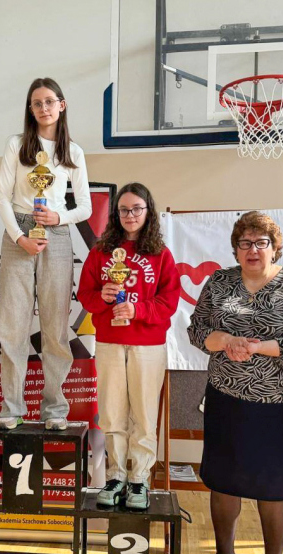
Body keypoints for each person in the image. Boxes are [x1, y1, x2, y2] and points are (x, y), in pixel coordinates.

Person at [187, 211, 283, 554]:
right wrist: (225, 341)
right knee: (222, 481)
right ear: (236, 249)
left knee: (272, 488)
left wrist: (258, 347)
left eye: (261, 242)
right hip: (225, 397)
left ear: (275, 248)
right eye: (245, 242)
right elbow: (196, 329)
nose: (253, 249)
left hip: (274, 402)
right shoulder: (220, 281)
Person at [0, 77, 91, 431]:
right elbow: (2, 198)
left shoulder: (73, 152)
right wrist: (20, 237)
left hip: (57, 235)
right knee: (13, 327)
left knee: (55, 328)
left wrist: (58, 218)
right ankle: (11, 408)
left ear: (61, 105)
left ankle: (54, 409)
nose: (44, 108)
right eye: (37, 103)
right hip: (18, 232)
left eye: (50, 101)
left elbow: (85, 206)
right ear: (30, 109)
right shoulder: (17, 144)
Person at [77, 183, 180, 510]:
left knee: (144, 416)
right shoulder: (101, 251)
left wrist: (138, 310)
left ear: (148, 212)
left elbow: (170, 300)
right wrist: (103, 297)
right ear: (115, 214)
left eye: (137, 209)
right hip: (109, 342)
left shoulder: (161, 254)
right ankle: (116, 476)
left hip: (147, 345)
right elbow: (85, 295)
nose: (130, 215)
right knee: (112, 414)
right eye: (124, 209)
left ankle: (140, 480)